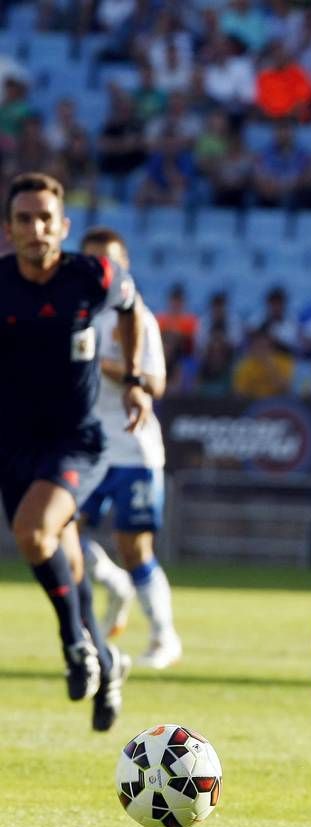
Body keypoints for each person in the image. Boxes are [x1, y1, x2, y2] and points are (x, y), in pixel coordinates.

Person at [0, 172, 151, 730]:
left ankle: (74, 646)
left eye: (46, 219)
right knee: (69, 560)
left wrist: (134, 377)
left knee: (32, 533)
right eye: (24, 219)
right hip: (13, 444)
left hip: (76, 440)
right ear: (9, 228)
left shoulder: (92, 275)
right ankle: (107, 661)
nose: (35, 229)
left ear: (63, 227)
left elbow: (133, 308)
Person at [79, 227, 183, 671]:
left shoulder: (135, 316)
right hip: (83, 448)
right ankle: (113, 584)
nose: (99, 270)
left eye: (109, 262)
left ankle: (164, 636)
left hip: (132, 448)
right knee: (58, 535)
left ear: (124, 266)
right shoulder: (71, 312)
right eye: (91, 261)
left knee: (135, 547)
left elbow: (156, 382)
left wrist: (101, 363)